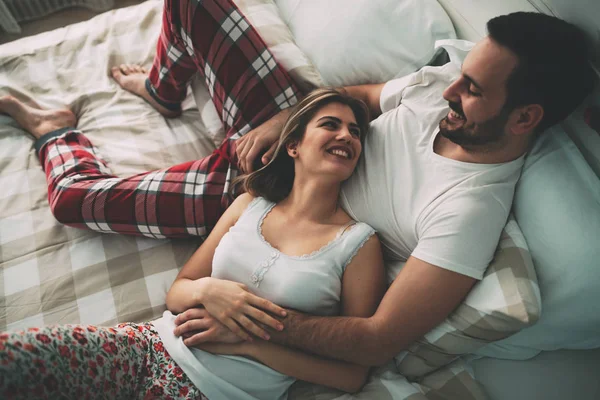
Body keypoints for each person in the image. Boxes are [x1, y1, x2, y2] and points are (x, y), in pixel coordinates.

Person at [0, 0, 594, 373]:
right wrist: (286, 120)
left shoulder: (468, 212)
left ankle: (55, 134)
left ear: (525, 118)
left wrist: (250, 322)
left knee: (78, 202)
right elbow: (363, 98)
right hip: (304, 129)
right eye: (461, 75)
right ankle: (162, 89)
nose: (447, 92)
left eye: (472, 92)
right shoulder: (451, 80)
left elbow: (376, 341)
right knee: (195, 4)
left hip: (278, 193)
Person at [0, 88, 387, 399]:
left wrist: (245, 343)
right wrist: (210, 290)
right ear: (294, 146)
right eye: (331, 125)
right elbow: (179, 292)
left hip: (219, 392)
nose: (346, 136)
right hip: (147, 348)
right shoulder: (250, 204)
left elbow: (352, 374)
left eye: (355, 132)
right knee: (16, 359)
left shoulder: (357, 244)